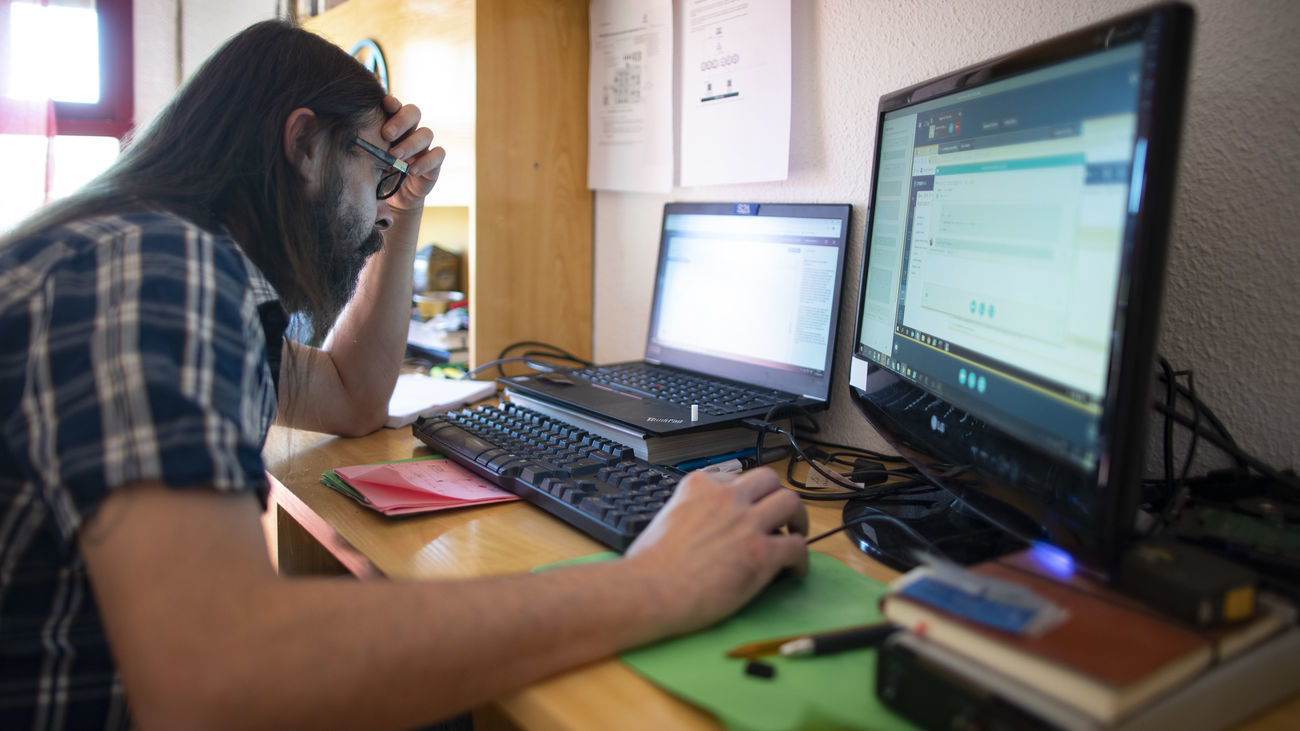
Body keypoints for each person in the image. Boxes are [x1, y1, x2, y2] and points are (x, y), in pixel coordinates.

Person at [0, 19, 809, 730]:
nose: (375, 216)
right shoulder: (152, 269)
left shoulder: (185, 275)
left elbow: (354, 397)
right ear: (305, 143)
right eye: (374, 176)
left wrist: (406, 200)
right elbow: (218, 679)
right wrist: (654, 584)